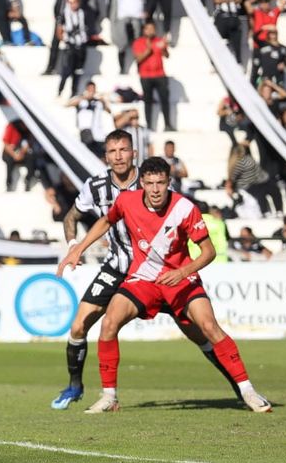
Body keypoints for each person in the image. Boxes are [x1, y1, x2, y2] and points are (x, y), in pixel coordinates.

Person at [59, 157, 273, 414]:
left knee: (208, 326)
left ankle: (247, 390)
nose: (156, 189)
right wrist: (79, 248)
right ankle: (109, 397)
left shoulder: (184, 208)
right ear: (142, 184)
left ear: (169, 182)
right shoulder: (127, 201)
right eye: (150, 183)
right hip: (143, 279)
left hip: (180, 278)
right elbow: (106, 221)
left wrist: (183, 271)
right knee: (109, 323)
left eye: (161, 183)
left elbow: (208, 251)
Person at [133, 21, 173, 131]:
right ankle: (149, 126)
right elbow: (138, 59)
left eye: (152, 28)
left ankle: (168, 124)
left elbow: (167, 56)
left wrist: (164, 48)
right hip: (145, 76)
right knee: (148, 101)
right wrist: (148, 50)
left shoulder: (159, 41)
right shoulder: (138, 42)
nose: (151, 31)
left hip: (160, 75)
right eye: (148, 29)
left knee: (164, 99)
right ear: (144, 30)